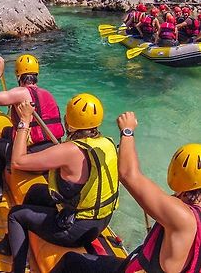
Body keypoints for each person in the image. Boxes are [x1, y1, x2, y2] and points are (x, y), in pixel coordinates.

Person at [0, 94, 119, 273]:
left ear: (68, 120)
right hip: (99, 222)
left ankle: (17, 268)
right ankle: (14, 242)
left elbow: (18, 161)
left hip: (76, 230)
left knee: (15, 215)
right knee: (35, 192)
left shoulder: (70, 150)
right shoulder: (106, 143)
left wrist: (24, 120)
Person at [51, 117, 201, 273]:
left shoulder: (181, 217)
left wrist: (127, 131)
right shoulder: (183, 214)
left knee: (70, 261)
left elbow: (128, 174)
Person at [0, 54, 63, 202]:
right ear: (36, 74)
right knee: (6, 132)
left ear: (18, 75)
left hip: (32, 159)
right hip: (52, 155)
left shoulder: (20, 93)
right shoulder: (47, 94)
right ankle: (2, 168)